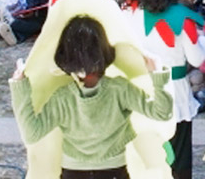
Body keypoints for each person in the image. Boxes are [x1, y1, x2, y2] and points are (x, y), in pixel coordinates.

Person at [10, 10, 173, 179]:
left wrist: (19, 85)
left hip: (72, 171)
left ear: (65, 57)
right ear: (104, 51)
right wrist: (157, 75)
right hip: (114, 170)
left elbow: (31, 133)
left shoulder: (62, 97)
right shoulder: (120, 89)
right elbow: (162, 112)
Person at [121, 0, 205, 179]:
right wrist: (202, 38)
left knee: (145, 153)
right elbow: (198, 59)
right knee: (178, 155)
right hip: (175, 93)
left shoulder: (126, 13)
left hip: (140, 90)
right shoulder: (183, 16)